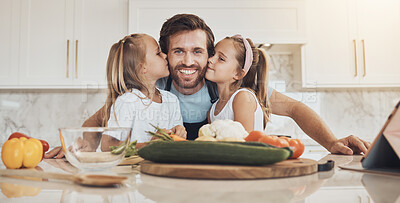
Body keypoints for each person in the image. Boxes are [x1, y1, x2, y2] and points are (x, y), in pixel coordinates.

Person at [45, 14, 370, 159]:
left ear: (210, 54)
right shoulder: (153, 91)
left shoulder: (226, 89)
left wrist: (331, 141)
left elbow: (296, 108)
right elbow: (102, 120)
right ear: (164, 56)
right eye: (178, 51)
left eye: (198, 51)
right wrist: (77, 145)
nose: (188, 61)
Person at [206, 35, 270, 132]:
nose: (210, 59)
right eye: (213, 54)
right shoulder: (212, 110)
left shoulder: (243, 98)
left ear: (238, 73)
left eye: (221, 59)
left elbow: (243, 145)